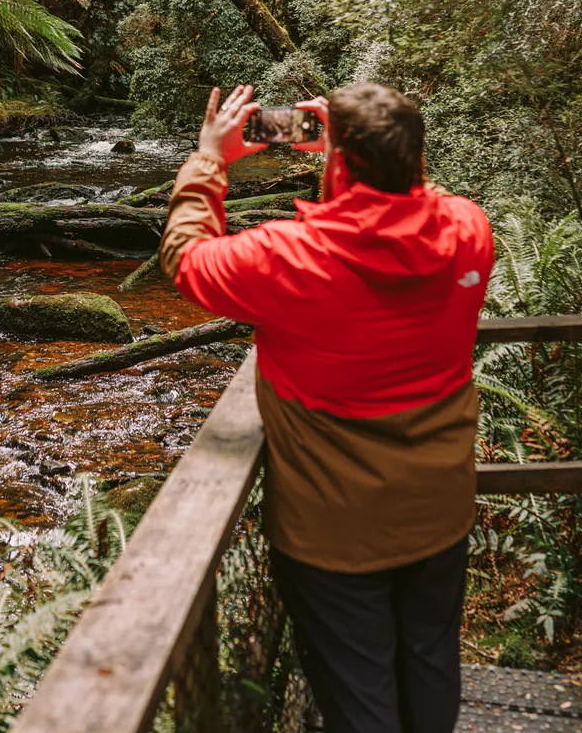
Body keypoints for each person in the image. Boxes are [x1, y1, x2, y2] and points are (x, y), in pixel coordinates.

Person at [158, 82, 494, 733]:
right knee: (429, 662)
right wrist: (361, 155)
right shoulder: (467, 231)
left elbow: (185, 258)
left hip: (330, 533)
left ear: (336, 164)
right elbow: (417, 206)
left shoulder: (287, 258)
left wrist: (209, 159)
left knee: (358, 694)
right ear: (417, 161)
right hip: (438, 512)